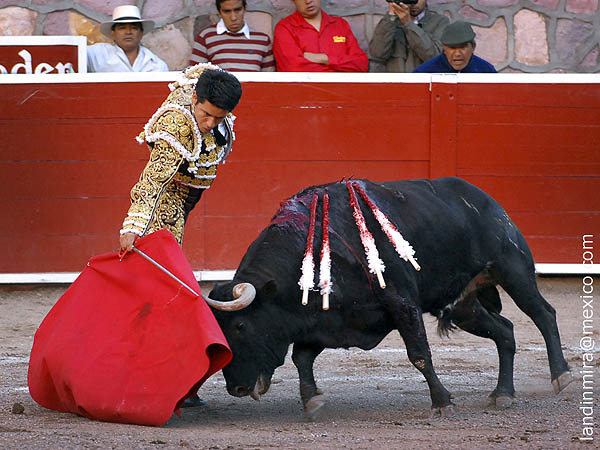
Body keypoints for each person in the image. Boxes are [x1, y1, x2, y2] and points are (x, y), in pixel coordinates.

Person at [119, 63, 242, 253]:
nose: (210, 123)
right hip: (171, 190)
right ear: (195, 98)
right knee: (164, 255)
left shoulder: (214, 88)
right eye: (206, 114)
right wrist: (133, 227)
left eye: (218, 118)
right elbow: (154, 180)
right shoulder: (175, 126)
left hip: (191, 192)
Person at [273, 0, 368, 72]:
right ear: (293, 1)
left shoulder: (340, 25)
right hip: (302, 91)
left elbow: (362, 64)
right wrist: (341, 71)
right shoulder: (285, 28)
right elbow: (293, 68)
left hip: (342, 91)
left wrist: (325, 59)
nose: (308, 1)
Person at [190, 0, 275, 71]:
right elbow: (194, 76)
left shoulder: (262, 40)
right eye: (227, 11)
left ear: (245, 8)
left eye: (237, 10)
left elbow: (270, 80)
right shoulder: (206, 37)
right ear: (219, 12)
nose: (233, 17)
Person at [369, 0, 448, 72]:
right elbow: (377, 53)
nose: (414, 3)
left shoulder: (439, 22)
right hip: (397, 81)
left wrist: (408, 23)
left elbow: (433, 56)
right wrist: (391, 15)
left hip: (424, 80)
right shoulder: (391, 22)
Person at [87, 5, 169, 72]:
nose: (128, 32)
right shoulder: (96, 54)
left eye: (134, 28)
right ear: (113, 33)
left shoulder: (157, 65)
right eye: (122, 28)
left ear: (141, 33)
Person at [413, 21, 496, 73]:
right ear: (444, 48)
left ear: (473, 47)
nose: (457, 54)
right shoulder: (424, 72)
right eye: (452, 48)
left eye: (462, 47)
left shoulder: (487, 71)